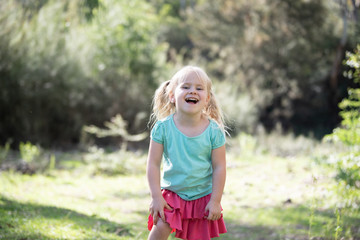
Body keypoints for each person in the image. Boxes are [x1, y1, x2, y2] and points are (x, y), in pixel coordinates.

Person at [146, 66, 227, 240]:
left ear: (207, 99)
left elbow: (219, 167)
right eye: (186, 87)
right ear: (172, 96)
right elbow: (153, 164)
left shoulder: (214, 131)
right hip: (172, 195)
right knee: (159, 229)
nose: (193, 91)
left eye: (199, 88)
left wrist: (215, 200)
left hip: (202, 197)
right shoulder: (162, 128)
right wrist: (156, 196)